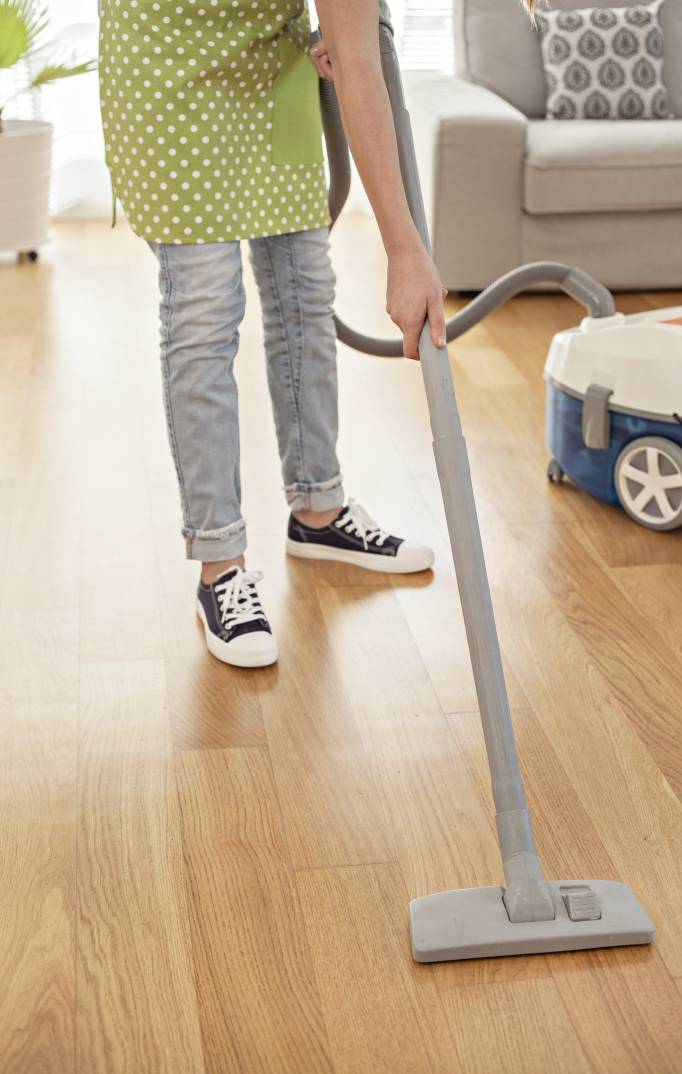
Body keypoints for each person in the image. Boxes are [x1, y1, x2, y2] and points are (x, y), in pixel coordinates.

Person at [99, 0, 453, 669]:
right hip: (165, 68)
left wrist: (404, 250)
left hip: (273, 70)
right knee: (205, 313)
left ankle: (318, 511)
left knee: (306, 296)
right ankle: (220, 565)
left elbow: (356, 54)